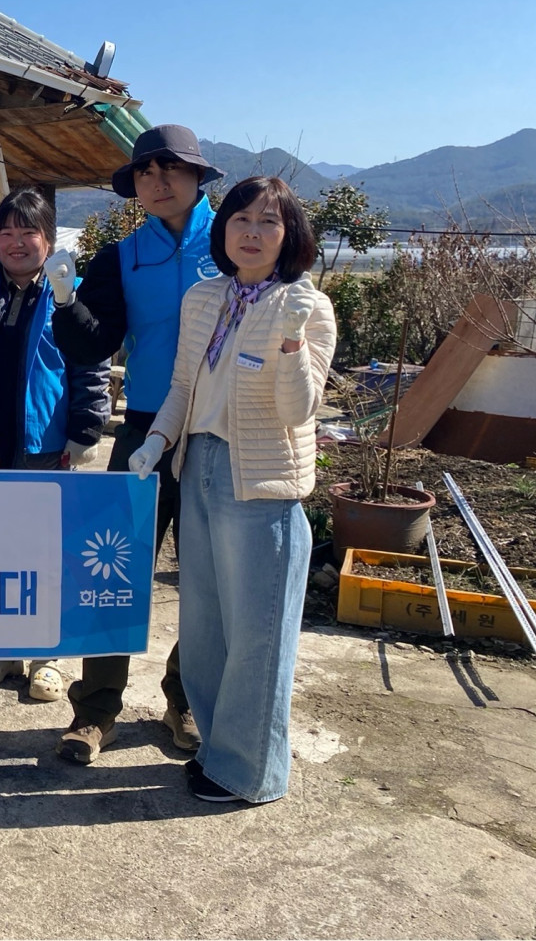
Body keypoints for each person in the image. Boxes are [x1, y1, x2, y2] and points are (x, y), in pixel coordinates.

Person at [128, 176, 334, 804]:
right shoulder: (204, 299)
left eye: (269, 221)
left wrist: (292, 342)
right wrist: (157, 442)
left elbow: (298, 410)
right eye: (241, 219)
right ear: (222, 231)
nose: (252, 232)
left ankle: (249, 772)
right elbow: (183, 388)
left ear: (289, 235)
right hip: (199, 468)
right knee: (205, 626)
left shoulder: (307, 305)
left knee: (258, 636)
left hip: (263, 481)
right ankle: (217, 750)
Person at [48, 124, 224, 764]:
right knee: (113, 571)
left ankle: (186, 700)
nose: (157, 181)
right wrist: (65, 301)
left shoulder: (232, 242)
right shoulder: (122, 256)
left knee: (206, 577)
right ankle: (96, 711)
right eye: (145, 172)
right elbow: (93, 343)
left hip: (219, 431)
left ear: (198, 175)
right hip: (145, 431)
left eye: (170, 167)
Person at [0, 188, 112, 702]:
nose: (16, 242)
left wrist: (85, 430)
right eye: (6, 232)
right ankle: (2, 649)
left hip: (44, 444)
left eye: (28, 232)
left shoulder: (68, 290)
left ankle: (48, 655)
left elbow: (91, 364)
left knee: (47, 552)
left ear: (48, 238)